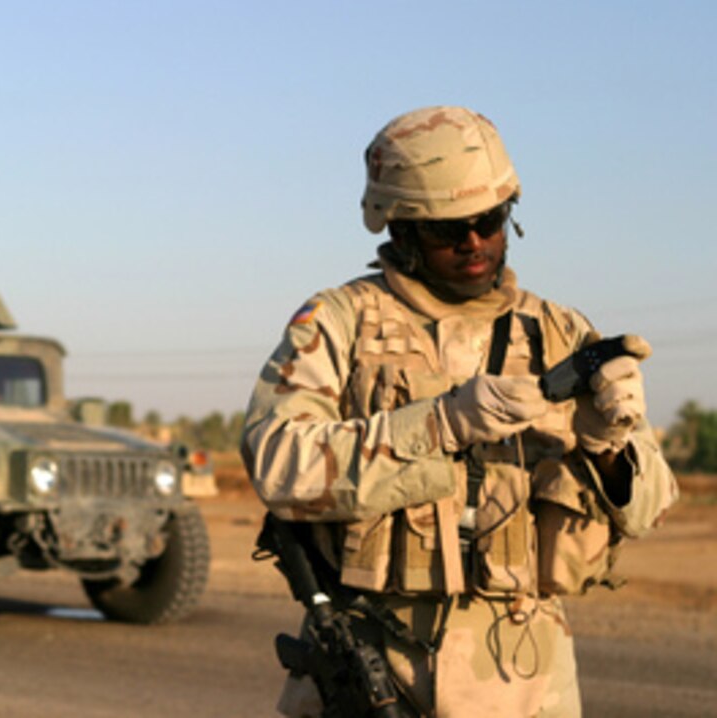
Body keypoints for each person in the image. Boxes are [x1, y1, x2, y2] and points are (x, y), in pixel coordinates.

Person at [241, 106, 678, 717]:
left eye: (488, 219)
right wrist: (437, 424)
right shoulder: (339, 322)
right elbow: (277, 464)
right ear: (399, 228)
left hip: (523, 674)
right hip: (369, 658)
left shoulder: (561, 334)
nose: (472, 241)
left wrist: (610, 448)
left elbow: (651, 506)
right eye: (447, 229)